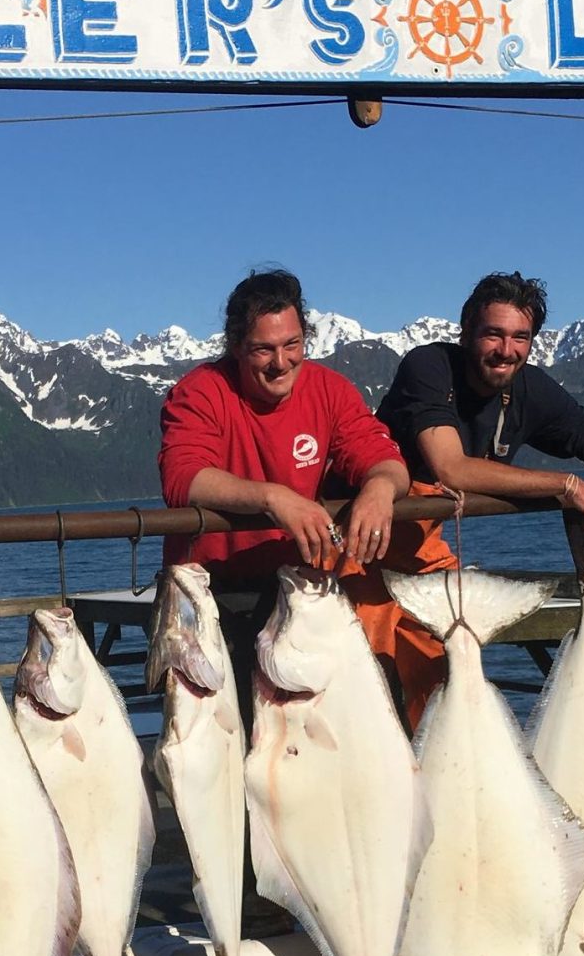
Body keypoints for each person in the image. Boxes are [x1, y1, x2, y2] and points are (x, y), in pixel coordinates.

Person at [362, 269, 584, 725]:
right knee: (364, 683)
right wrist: (565, 486)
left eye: (520, 337)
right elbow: (452, 467)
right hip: (360, 544)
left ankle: (436, 785)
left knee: (446, 685)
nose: (507, 350)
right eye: (494, 335)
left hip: (423, 551)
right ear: (466, 333)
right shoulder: (429, 367)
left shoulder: (531, 391)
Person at [157, 268, 409, 720]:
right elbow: (183, 478)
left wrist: (380, 487)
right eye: (263, 349)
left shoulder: (330, 390)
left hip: (300, 594)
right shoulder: (199, 391)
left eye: (292, 345)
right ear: (236, 347)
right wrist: (274, 498)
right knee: (229, 739)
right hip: (214, 598)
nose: (281, 362)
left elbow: (382, 457)